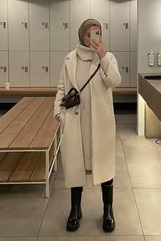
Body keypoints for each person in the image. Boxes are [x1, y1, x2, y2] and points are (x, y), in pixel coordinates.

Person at [54, 18, 121, 232]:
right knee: (75, 166)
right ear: (82, 35)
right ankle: (75, 209)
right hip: (76, 121)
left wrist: (102, 57)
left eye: (98, 33)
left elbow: (115, 81)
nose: (94, 37)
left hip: (101, 124)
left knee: (105, 167)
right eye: (90, 33)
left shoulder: (107, 57)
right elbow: (62, 88)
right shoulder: (69, 59)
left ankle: (108, 210)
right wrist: (59, 113)